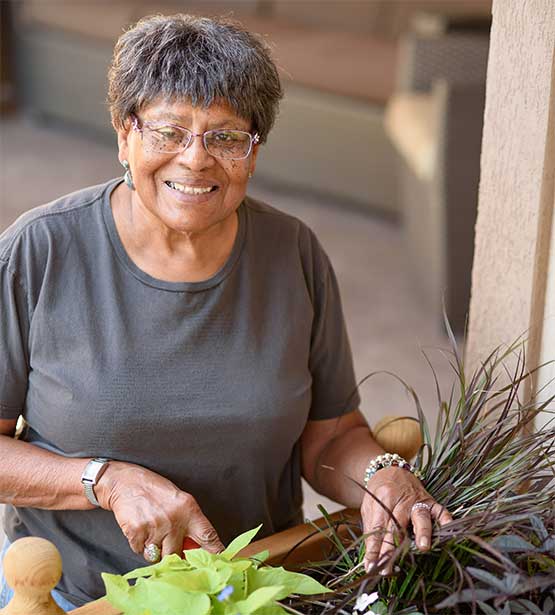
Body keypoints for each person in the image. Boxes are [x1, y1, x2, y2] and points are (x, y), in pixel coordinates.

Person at [0, 13, 451, 610]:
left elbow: (332, 436)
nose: (195, 160)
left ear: (254, 150)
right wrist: (102, 480)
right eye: (169, 131)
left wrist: (381, 474)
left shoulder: (293, 253)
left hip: (252, 588)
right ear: (123, 133)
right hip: (77, 599)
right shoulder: (39, 251)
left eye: (226, 136)